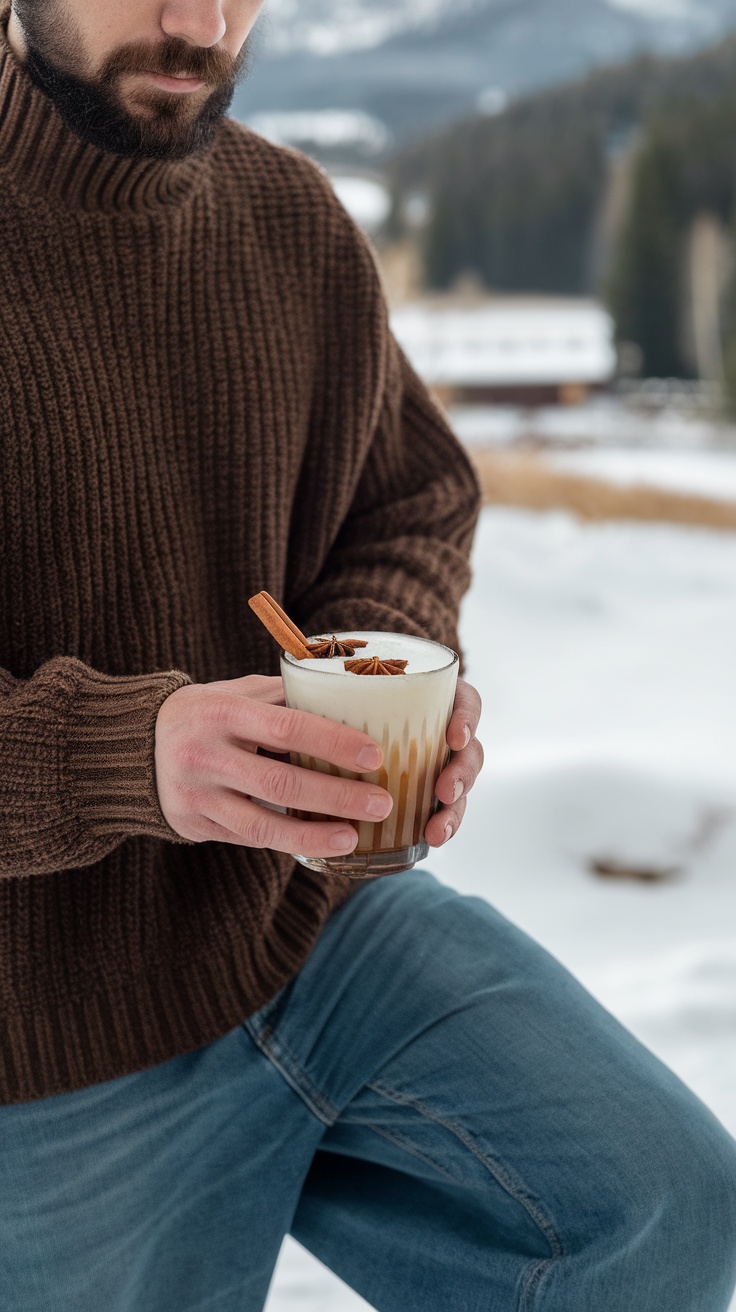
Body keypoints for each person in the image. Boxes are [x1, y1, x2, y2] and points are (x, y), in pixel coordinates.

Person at [1, 2, 735, 1309]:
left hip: (316, 931)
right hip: (45, 1039)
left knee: (663, 1212)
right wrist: (123, 756)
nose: (199, 23)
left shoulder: (288, 218)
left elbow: (414, 495)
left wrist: (385, 670)